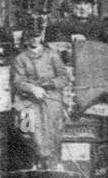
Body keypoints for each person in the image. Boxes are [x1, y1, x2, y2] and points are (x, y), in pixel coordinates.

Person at [11, 15, 72, 169]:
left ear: (42, 36)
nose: (34, 39)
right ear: (27, 36)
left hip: (51, 98)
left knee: (54, 124)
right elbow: (17, 82)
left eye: (37, 36)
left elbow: (63, 78)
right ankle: (32, 161)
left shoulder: (52, 55)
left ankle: (53, 162)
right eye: (31, 36)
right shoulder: (21, 58)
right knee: (25, 127)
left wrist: (49, 84)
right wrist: (32, 89)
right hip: (27, 99)